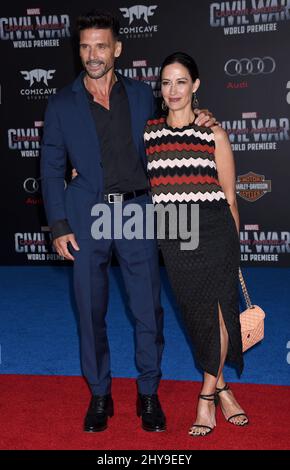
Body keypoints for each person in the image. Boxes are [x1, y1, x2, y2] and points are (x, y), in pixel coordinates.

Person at [41, 10, 216, 433]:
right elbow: (50, 168)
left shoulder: (141, 96)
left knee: (147, 310)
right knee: (89, 310)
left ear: (117, 49)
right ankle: (100, 394)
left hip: (137, 211)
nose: (93, 54)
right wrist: (60, 223)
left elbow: (176, 123)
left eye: (101, 45)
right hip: (87, 214)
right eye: (85, 46)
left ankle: (148, 393)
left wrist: (203, 119)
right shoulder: (62, 103)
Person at [144, 52, 249, 437]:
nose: (173, 90)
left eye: (181, 82)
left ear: (196, 86)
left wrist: (234, 251)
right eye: (167, 82)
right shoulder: (149, 134)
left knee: (220, 314)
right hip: (174, 234)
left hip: (216, 232)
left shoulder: (213, 133)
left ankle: (206, 397)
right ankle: (223, 387)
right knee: (196, 319)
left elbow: (230, 197)